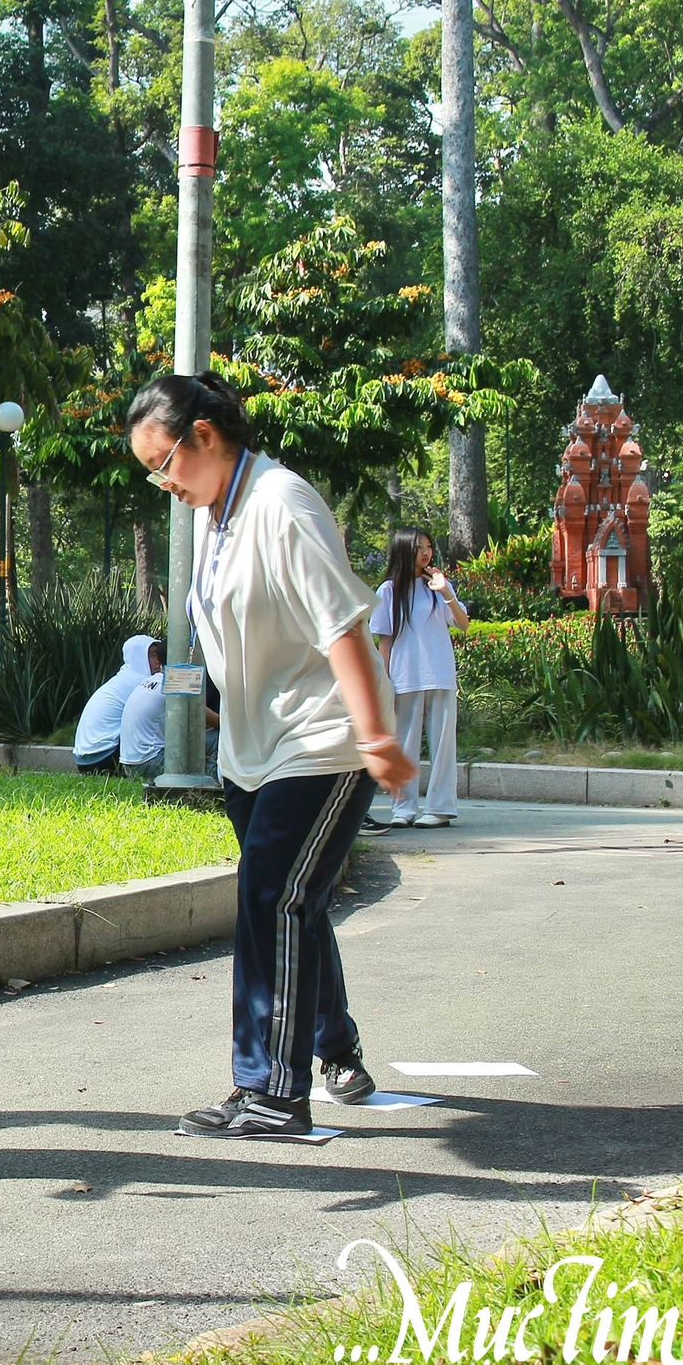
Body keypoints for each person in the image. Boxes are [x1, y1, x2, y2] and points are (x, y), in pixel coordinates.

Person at [127, 371, 416, 1139]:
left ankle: (271, 1093)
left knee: (273, 897)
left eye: (163, 465)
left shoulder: (281, 503)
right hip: (254, 751)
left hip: (325, 740)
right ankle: (335, 1049)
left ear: (205, 437)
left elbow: (341, 626)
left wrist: (377, 739)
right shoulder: (216, 516)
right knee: (295, 899)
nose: (163, 484)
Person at [367, 527, 467, 829]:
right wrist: (384, 683)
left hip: (440, 674)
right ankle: (403, 808)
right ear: (403, 550)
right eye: (419, 547)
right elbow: (384, 642)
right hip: (405, 676)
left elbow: (463, 623)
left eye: (428, 546)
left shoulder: (437, 587)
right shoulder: (388, 591)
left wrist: (446, 591)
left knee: (443, 745)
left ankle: (440, 808)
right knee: (404, 745)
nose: (426, 552)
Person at [120, 643, 222, 781]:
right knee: (219, 737)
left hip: (130, 765)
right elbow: (216, 722)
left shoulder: (153, 680)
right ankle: (209, 783)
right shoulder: (175, 685)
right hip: (149, 764)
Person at [74, 635, 156, 776]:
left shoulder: (123, 677)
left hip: (84, 760)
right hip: (104, 758)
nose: (158, 661)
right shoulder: (143, 683)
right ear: (139, 657)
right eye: (153, 656)